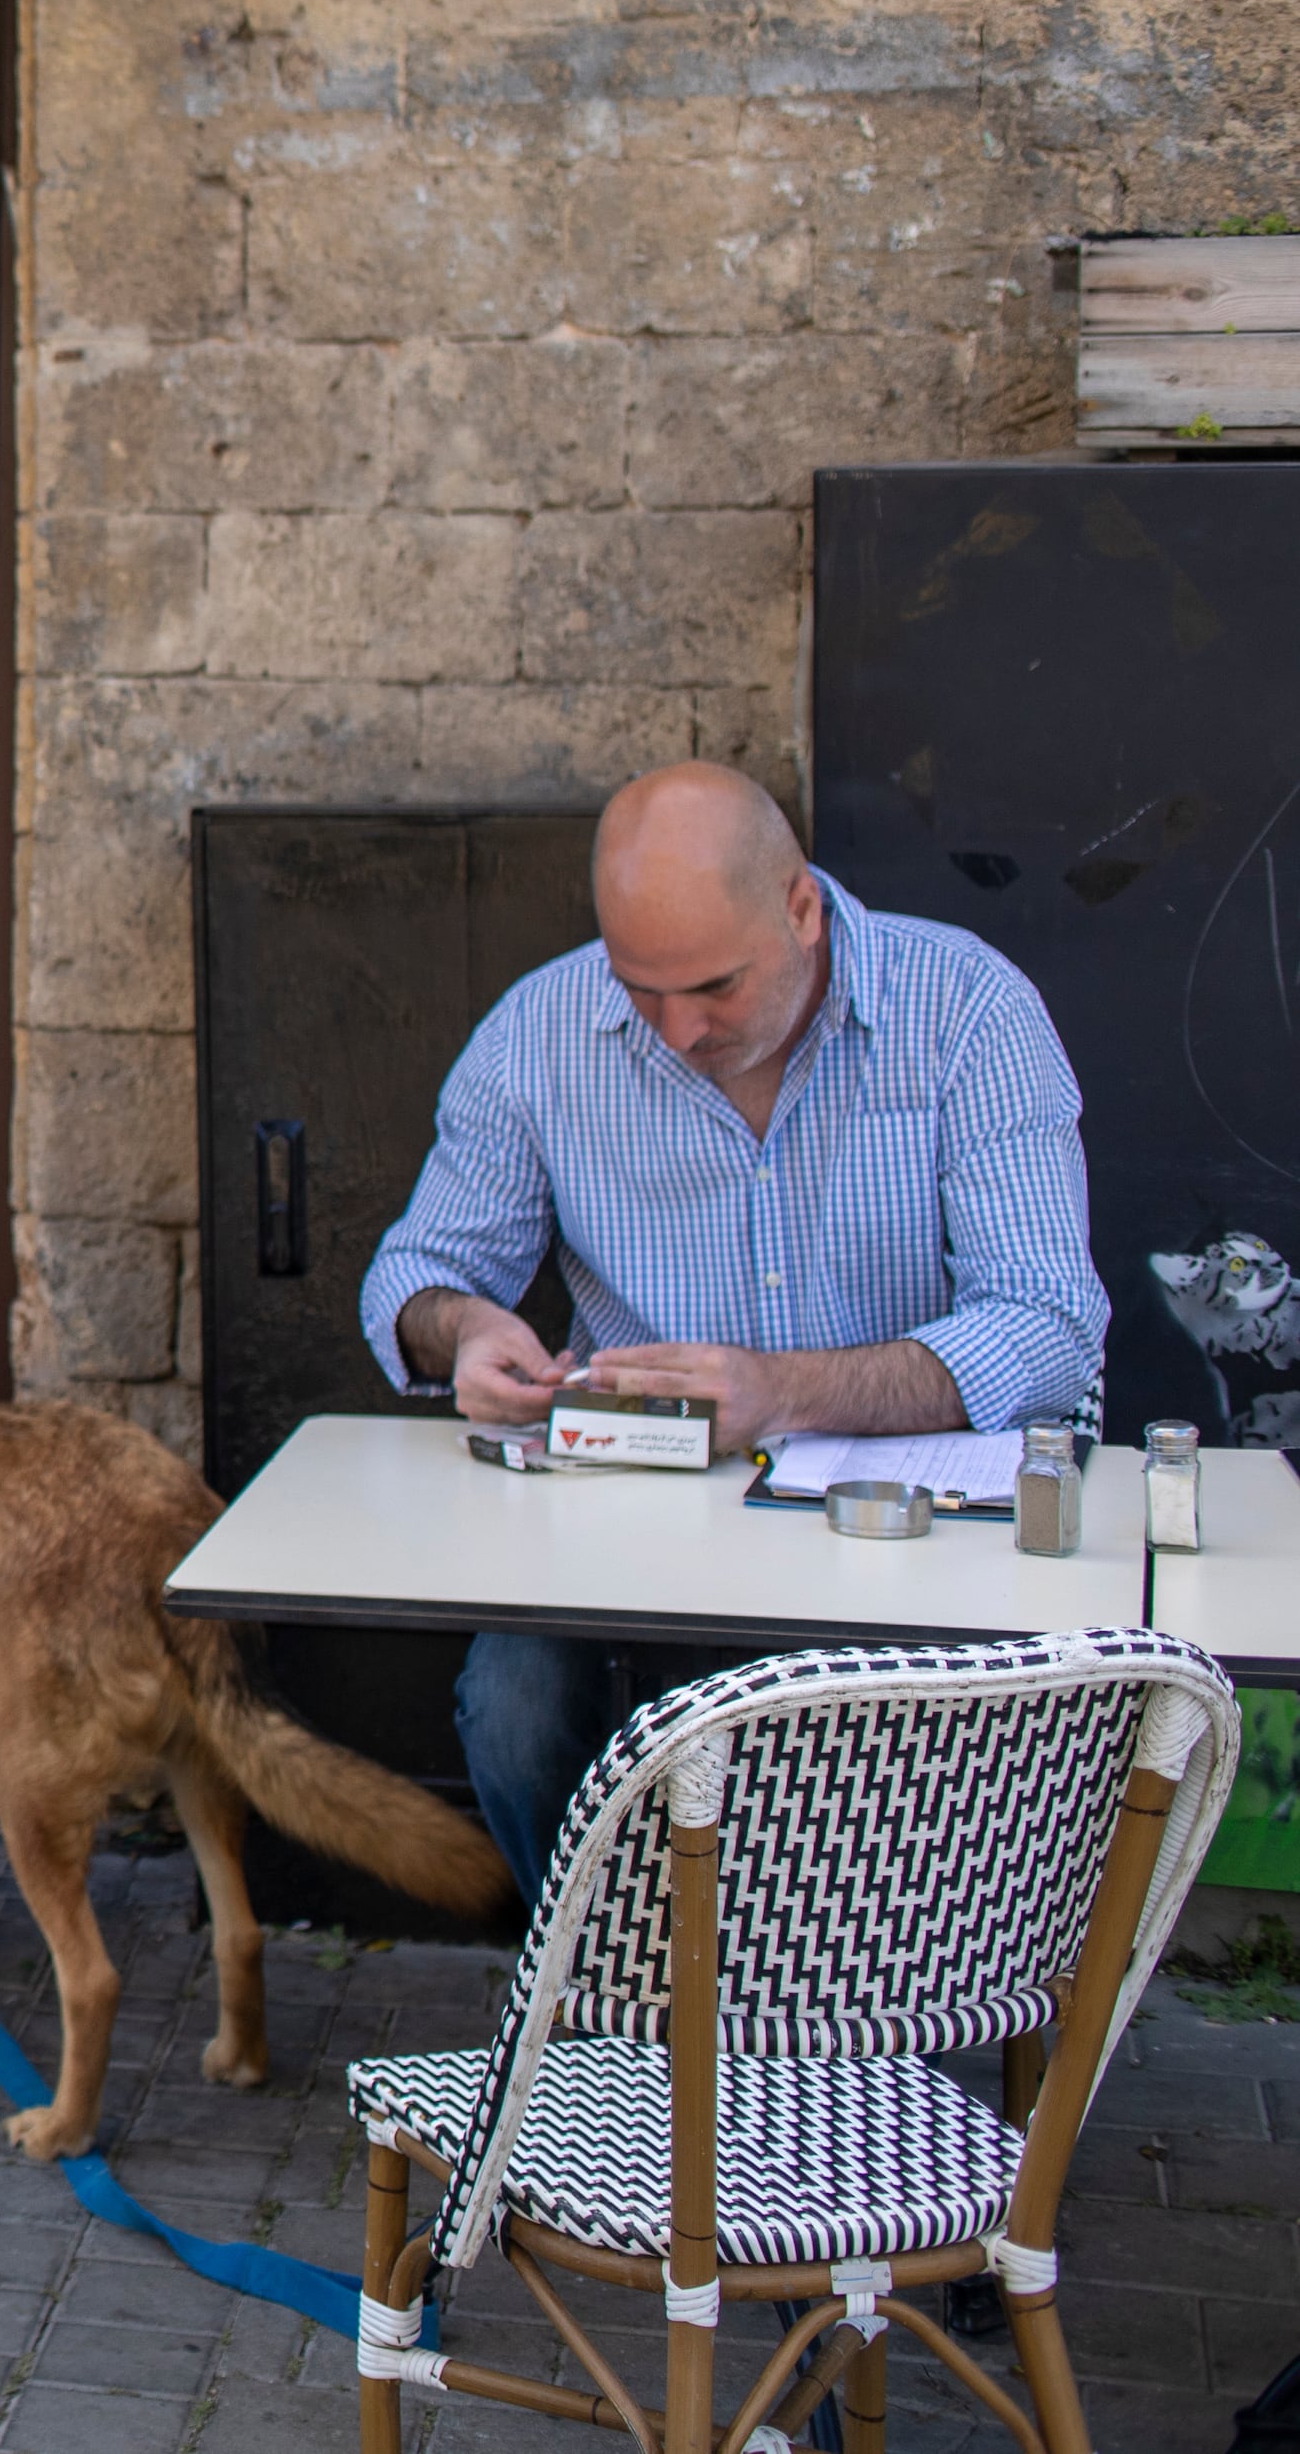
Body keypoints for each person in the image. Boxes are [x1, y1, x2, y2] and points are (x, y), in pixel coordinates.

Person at [359, 760, 1101, 1893]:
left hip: (905, 1517)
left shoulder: (964, 1009)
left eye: (711, 986)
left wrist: (781, 1393)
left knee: (883, 1769)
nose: (675, 1030)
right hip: (635, 1518)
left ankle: (852, 2019)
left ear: (799, 908)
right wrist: (461, 1330)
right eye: (639, 989)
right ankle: (625, 2000)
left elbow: (1048, 1326)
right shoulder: (541, 1028)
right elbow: (412, 1275)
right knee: (511, 1707)